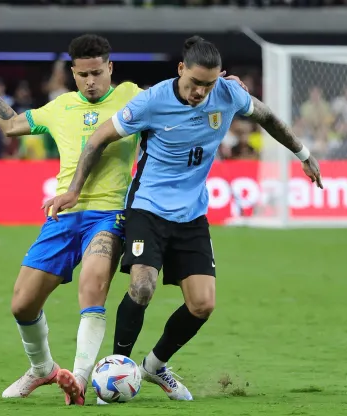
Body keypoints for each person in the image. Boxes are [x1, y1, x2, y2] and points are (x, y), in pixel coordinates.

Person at [0, 34, 249, 406]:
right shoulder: (59, 107)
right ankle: (43, 369)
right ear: (73, 73)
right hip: (64, 213)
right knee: (22, 304)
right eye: (83, 75)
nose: (91, 81)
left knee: (93, 283)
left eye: (98, 72)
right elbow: (10, 125)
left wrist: (223, 85)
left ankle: (80, 380)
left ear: (110, 69)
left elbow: (178, 92)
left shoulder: (132, 94)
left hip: (112, 213)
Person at [45, 36, 323, 403]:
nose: (200, 92)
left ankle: (155, 365)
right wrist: (75, 190)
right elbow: (98, 139)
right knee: (143, 287)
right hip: (147, 209)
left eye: (208, 84)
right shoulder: (152, 100)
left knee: (202, 305)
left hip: (192, 215)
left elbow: (267, 117)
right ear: (180, 70)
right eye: (194, 83)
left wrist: (303, 154)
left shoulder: (228, 94)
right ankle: (118, 367)